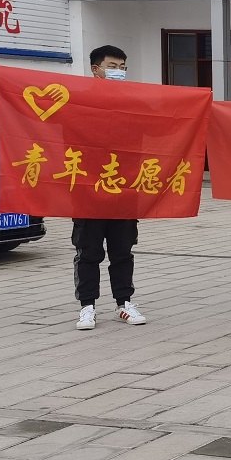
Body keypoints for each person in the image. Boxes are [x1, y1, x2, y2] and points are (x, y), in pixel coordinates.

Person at [73, 46, 147, 330]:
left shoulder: (133, 101)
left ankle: (124, 303)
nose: (119, 71)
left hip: (123, 191)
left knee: (122, 252)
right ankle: (87, 307)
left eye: (123, 67)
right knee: (88, 252)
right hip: (88, 192)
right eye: (113, 66)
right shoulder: (79, 100)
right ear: (96, 69)